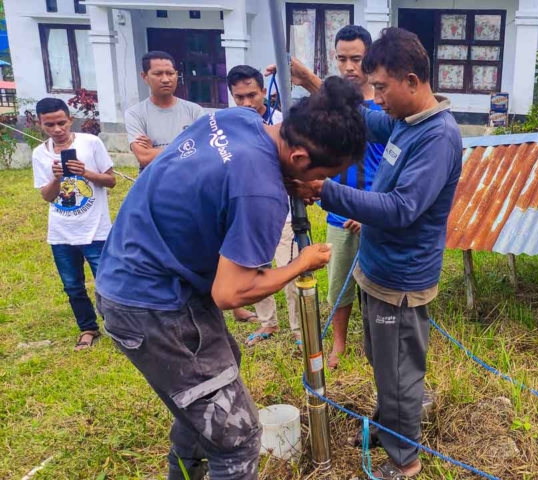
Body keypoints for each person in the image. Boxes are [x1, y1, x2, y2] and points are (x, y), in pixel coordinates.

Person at [95, 77, 366, 480]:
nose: (318, 186)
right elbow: (230, 292)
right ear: (300, 159)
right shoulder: (260, 193)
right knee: (236, 437)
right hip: (154, 305)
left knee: (217, 382)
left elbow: (225, 178)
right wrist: (300, 263)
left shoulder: (238, 119)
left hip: (131, 270)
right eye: (326, 174)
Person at [281, 28, 463, 479]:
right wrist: (310, 84)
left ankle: (405, 462)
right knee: (383, 361)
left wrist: (328, 191)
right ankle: (392, 422)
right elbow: (360, 116)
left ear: (412, 81)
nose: (376, 97)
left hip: (401, 281)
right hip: (378, 271)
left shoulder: (436, 137)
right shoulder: (404, 120)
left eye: (381, 87)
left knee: (398, 373)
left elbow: (402, 209)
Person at [225, 64, 301, 348]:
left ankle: (298, 330)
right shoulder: (229, 124)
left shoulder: (283, 122)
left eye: (252, 95)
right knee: (254, 270)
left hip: (283, 212)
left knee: (291, 270)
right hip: (246, 213)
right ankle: (268, 322)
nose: (246, 103)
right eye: (239, 97)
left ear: (264, 94)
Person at [31, 98, 116, 351]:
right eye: (49, 125)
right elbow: (47, 196)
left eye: (61, 122)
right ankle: (88, 328)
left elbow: (110, 181)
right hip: (61, 234)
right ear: (40, 124)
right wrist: (57, 179)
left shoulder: (91, 143)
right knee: (72, 285)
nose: (57, 129)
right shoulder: (39, 154)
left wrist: (85, 172)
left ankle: (118, 326)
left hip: (96, 229)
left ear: (70, 119)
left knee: (108, 282)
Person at [324, 25, 385, 369]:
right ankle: (338, 346)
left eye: (356, 59)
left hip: (376, 213)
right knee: (339, 284)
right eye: (342, 59)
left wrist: (371, 211)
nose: (349, 67)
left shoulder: (383, 106)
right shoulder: (330, 106)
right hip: (338, 213)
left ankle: (374, 346)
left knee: (377, 286)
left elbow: (395, 166)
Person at [125, 51, 204, 172]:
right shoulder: (135, 114)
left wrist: (153, 151)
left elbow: (203, 151)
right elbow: (144, 157)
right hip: (154, 183)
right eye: (158, 74)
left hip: (189, 181)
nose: (166, 79)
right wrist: (187, 149)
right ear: (144, 77)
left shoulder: (194, 111)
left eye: (170, 73)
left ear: (176, 75)